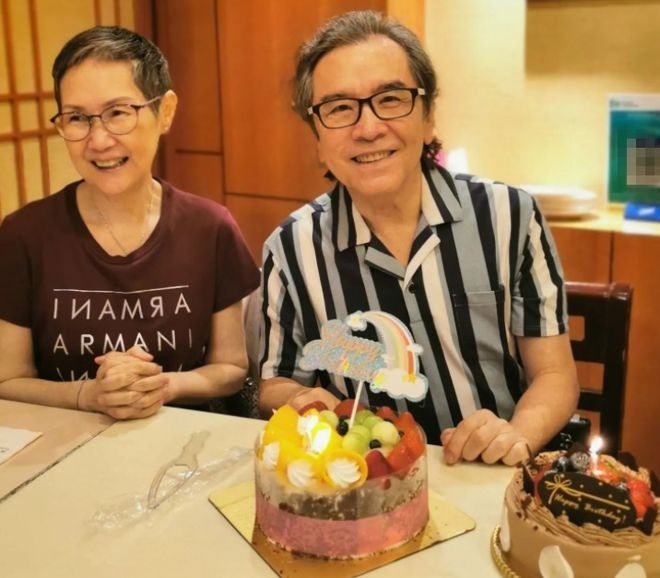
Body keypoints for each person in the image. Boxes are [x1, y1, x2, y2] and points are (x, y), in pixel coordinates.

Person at [257, 10, 579, 466]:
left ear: (428, 118)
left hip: (494, 473)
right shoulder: (291, 249)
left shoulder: (509, 216)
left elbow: (555, 374)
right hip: (368, 482)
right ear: (318, 140)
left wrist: (515, 436)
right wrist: (299, 399)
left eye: (391, 99)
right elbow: (275, 382)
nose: (368, 128)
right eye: (340, 108)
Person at [0, 26, 260, 420]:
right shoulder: (24, 234)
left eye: (118, 112)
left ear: (165, 111)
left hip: (185, 442)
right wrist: (88, 395)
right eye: (77, 118)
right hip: (66, 444)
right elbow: (8, 379)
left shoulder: (210, 228)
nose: (99, 140)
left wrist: (160, 386)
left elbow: (231, 369)